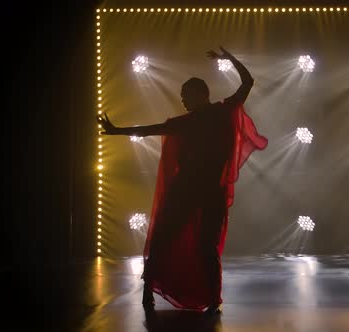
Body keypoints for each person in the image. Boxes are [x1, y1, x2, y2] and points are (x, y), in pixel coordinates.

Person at [97, 47, 267, 315]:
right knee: (165, 238)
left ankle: (212, 298)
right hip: (187, 188)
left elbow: (247, 82)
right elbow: (152, 129)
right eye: (182, 97)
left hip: (208, 190)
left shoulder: (221, 111)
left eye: (187, 96)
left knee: (204, 245)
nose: (184, 101)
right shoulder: (189, 121)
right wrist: (118, 131)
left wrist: (231, 59)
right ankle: (149, 290)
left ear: (202, 94)